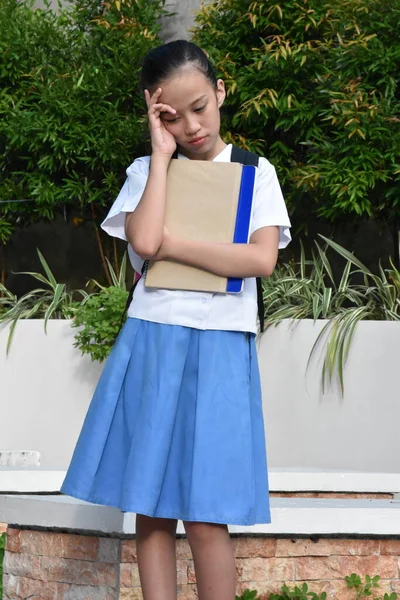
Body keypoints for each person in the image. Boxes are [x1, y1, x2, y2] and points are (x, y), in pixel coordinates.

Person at [61, 40, 291, 600]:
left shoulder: (254, 173)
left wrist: (176, 245)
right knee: (152, 505)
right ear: (155, 114)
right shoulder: (147, 172)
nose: (190, 125)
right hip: (154, 340)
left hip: (221, 346)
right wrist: (160, 156)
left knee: (209, 511)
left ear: (220, 92)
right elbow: (142, 240)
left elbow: (259, 259)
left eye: (199, 108)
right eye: (171, 115)